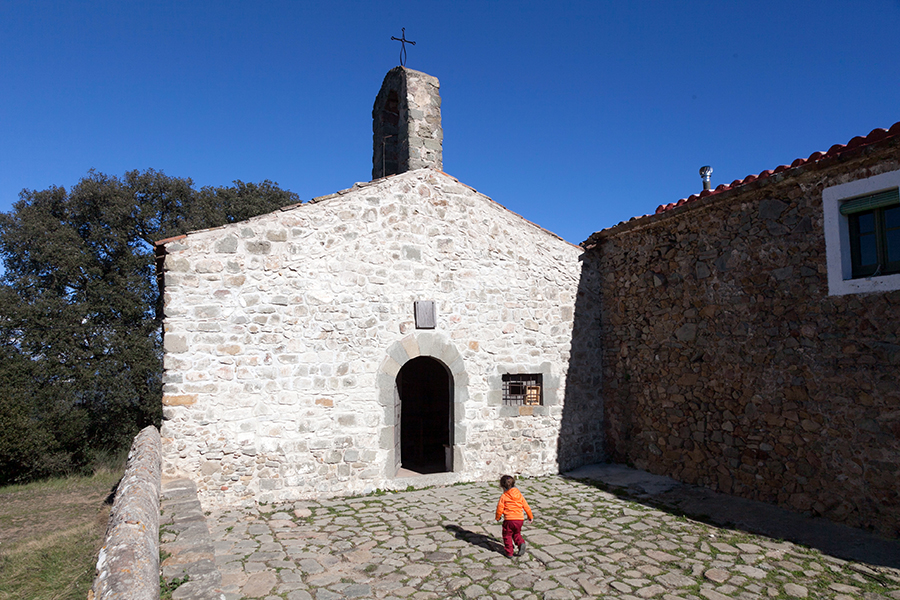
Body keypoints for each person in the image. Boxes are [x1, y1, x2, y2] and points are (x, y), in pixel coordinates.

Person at [495, 474, 533, 558]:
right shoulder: (519, 495)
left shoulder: (504, 496)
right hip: (519, 520)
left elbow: (499, 508)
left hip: (509, 520)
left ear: (502, 487)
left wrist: (498, 517)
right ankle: (521, 543)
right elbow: (526, 506)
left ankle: (509, 552)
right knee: (516, 533)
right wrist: (530, 516)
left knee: (507, 535)